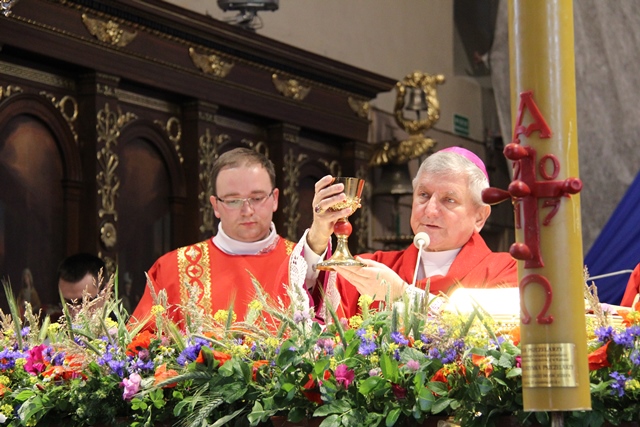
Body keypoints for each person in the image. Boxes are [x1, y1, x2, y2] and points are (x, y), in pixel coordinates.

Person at [293, 146, 518, 319]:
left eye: (449, 200)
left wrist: (402, 295)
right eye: (423, 195)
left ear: (480, 217)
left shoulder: (507, 271)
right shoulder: (373, 268)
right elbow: (308, 310)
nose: (430, 210)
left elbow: (485, 331)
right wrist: (318, 235)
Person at [130, 147, 297, 328]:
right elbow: (143, 342)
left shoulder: (303, 264)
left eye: (257, 198)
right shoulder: (173, 269)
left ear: (275, 199)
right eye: (233, 201)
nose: (247, 211)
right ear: (215, 205)